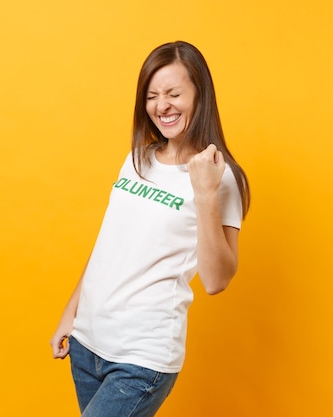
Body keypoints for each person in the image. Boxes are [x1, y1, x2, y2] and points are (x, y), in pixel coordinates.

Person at [49, 40, 250, 417]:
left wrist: (205, 193)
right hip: (87, 344)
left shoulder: (222, 179)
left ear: (200, 96)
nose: (163, 105)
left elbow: (217, 280)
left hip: (141, 356)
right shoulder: (138, 158)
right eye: (153, 96)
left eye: (174, 93)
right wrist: (70, 313)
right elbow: (109, 241)